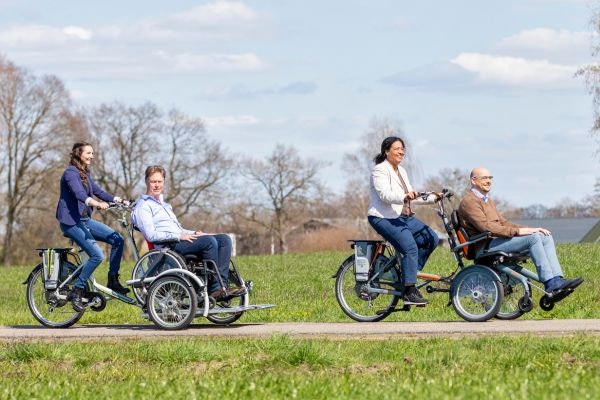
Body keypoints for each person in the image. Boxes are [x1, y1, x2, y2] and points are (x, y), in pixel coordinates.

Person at [458, 166, 583, 297]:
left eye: (490, 178)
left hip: (496, 241)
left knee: (544, 236)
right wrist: (518, 232)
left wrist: (529, 229)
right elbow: (486, 227)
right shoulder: (469, 202)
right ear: (473, 180)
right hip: (484, 246)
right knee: (533, 238)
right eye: (484, 178)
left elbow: (504, 223)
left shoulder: (488, 200)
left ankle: (557, 279)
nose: (489, 181)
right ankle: (550, 284)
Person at [132, 165, 245, 300]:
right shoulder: (143, 206)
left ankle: (222, 286)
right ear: (146, 182)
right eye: (153, 181)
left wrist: (195, 233)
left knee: (224, 239)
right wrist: (179, 236)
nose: (157, 185)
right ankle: (214, 289)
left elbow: (178, 229)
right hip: (167, 247)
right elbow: (152, 235)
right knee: (209, 243)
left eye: (159, 181)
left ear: (163, 182)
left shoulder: (164, 205)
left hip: (178, 239)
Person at [56, 142, 130, 312]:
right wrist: (96, 203)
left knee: (117, 239)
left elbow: (99, 191)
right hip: (71, 222)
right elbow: (79, 195)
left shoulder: (85, 173)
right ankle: (77, 290)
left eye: (92, 153)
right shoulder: (70, 173)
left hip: (84, 220)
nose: (92, 156)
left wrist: (120, 201)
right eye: (89, 153)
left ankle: (113, 279)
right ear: (78, 154)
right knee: (97, 255)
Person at [367, 136, 441, 306]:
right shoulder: (380, 170)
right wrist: (404, 196)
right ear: (386, 151)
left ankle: (408, 274)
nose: (401, 151)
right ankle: (409, 290)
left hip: (403, 217)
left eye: (403, 149)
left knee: (431, 238)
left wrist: (432, 198)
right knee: (410, 248)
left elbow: (410, 197)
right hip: (383, 217)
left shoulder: (402, 171)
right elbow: (385, 195)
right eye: (397, 148)